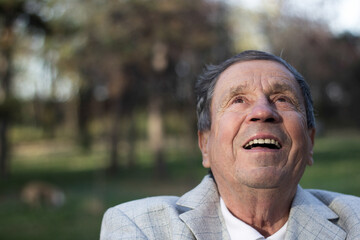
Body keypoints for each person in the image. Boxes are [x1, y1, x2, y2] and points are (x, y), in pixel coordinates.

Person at [100, 50, 360, 240]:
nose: (262, 111)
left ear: (310, 142)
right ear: (205, 144)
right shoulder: (140, 227)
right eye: (238, 100)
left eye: (282, 98)